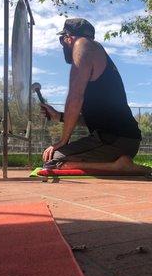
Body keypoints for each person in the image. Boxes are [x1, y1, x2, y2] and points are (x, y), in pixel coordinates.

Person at [41, 18, 151, 175]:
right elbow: (93, 118)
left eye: (62, 40)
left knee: (53, 160)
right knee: (55, 157)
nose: (63, 44)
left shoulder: (82, 44)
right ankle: (116, 163)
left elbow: (74, 97)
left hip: (114, 140)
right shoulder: (95, 53)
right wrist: (59, 116)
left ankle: (119, 166)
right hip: (123, 140)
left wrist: (62, 141)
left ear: (68, 38)